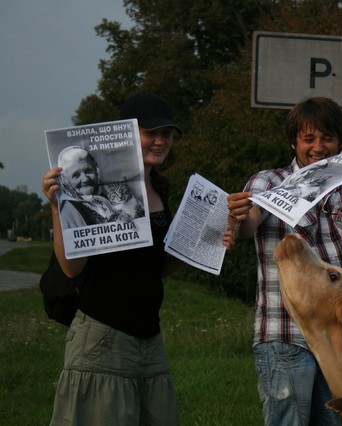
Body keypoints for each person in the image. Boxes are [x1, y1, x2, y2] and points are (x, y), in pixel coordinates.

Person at [42, 92, 234, 426]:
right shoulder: (93, 192)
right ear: (128, 134)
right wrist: (57, 208)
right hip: (103, 337)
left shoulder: (161, 189)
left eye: (167, 133)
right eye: (151, 133)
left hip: (149, 339)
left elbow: (154, 268)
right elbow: (71, 268)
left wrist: (208, 241)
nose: (161, 141)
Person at [227, 96, 342, 426]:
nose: (318, 147)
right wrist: (237, 218)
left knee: (340, 423)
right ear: (293, 142)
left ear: (340, 143)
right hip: (285, 332)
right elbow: (248, 226)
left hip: (339, 339)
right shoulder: (268, 182)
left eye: (327, 138)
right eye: (308, 138)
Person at [56, 145, 116, 227]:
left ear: (96, 170)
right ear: (65, 180)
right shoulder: (67, 212)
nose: (85, 179)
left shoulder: (108, 199)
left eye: (88, 170)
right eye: (76, 175)